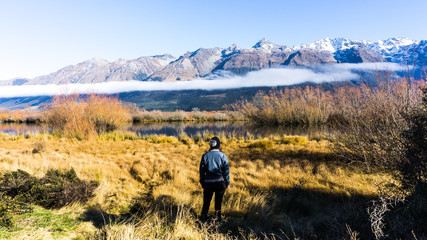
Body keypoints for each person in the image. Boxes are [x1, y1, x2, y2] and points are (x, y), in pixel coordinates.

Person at [199, 136, 230, 221]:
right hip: (220, 183)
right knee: (218, 203)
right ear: (218, 145)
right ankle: (217, 220)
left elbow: (201, 171)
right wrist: (227, 183)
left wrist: (202, 182)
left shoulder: (205, 156)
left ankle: (202, 219)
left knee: (206, 203)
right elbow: (226, 171)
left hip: (208, 183)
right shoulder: (222, 156)